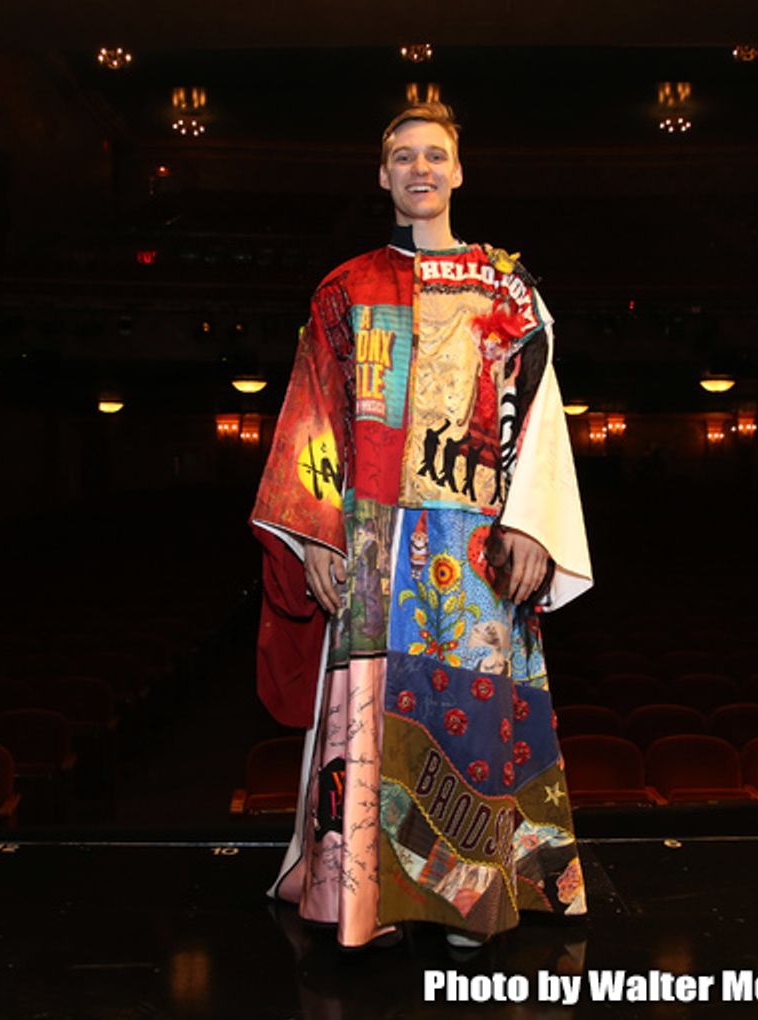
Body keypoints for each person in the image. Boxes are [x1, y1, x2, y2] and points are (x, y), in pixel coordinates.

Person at [250, 102, 592, 950]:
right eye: (403, 156)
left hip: (474, 542)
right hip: (370, 541)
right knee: (366, 721)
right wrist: (317, 533)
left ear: (458, 171)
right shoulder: (345, 289)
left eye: (435, 155)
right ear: (383, 175)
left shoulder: (506, 287)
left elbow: (539, 409)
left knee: (470, 711)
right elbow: (312, 413)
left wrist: (531, 524)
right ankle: (365, 897)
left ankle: (470, 899)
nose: (420, 169)